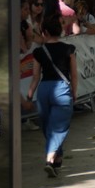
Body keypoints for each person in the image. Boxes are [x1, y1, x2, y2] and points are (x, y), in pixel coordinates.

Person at [28, 12, 78, 177]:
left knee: (48, 127)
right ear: (59, 31)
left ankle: (58, 158)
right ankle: (50, 159)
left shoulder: (39, 52)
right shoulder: (68, 49)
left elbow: (35, 77)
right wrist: (74, 92)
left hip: (44, 90)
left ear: (45, 32)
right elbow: (74, 74)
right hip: (62, 90)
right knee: (59, 127)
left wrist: (30, 94)